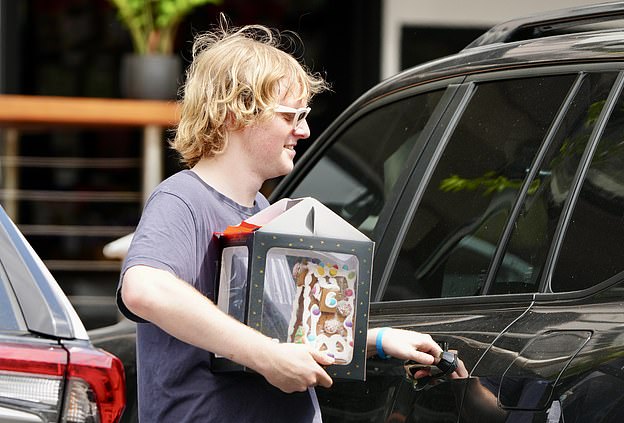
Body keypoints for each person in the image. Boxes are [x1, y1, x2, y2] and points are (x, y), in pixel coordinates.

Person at [117, 15, 444, 422]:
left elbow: (285, 336)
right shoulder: (181, 199)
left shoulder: (260, 212)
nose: (304, 130)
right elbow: (144, 290)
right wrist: (268, 356)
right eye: (290, 116)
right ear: (237, 113)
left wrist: (377, 341)